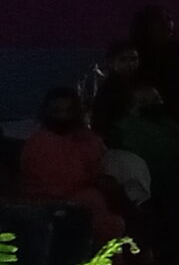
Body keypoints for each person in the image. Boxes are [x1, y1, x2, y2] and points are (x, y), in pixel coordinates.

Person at [18, 87, 125, 245]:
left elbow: (98, 162)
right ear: (47, 112)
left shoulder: (85, 138)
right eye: (57, 111)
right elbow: (54, 184)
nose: (63, 116)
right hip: (51, 202)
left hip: (85, 197)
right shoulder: (39, 143)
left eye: (68, 111)